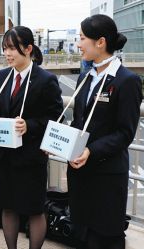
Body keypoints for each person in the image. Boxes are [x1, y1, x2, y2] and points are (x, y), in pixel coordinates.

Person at [68, 14, 143, 249]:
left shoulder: (126, 80)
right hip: (80, 173)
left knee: (105, 239)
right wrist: (59, 142)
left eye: (82, 38)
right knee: (82, 235)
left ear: (100, 42)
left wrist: (91, 150)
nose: (78, 44)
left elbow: (125, 132)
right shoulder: (85, 76)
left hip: (107, 176)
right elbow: (79, 122)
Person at [0, 26, 63, 249]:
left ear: (28, 49)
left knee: (34, 209)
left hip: (31, 156)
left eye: (12, 48)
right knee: (7, 206)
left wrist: (28, 125)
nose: (7, 54)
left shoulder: (46, 79)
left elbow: (56, 117)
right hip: (3, 155)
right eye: (5, 48)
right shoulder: (1, 76)